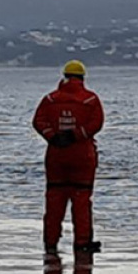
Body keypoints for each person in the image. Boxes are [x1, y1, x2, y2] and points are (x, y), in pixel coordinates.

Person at [33, 60, 104, 255]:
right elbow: (96, 124)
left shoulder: (50, 100)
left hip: (56, 156)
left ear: (64, 77)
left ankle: (50, 243)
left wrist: (53, 136)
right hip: (83, 158)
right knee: (82, 200)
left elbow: (38, 121)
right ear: (82, 78)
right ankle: (82, 243)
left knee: (54, 200)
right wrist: (76, 135)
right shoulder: (90, 100)